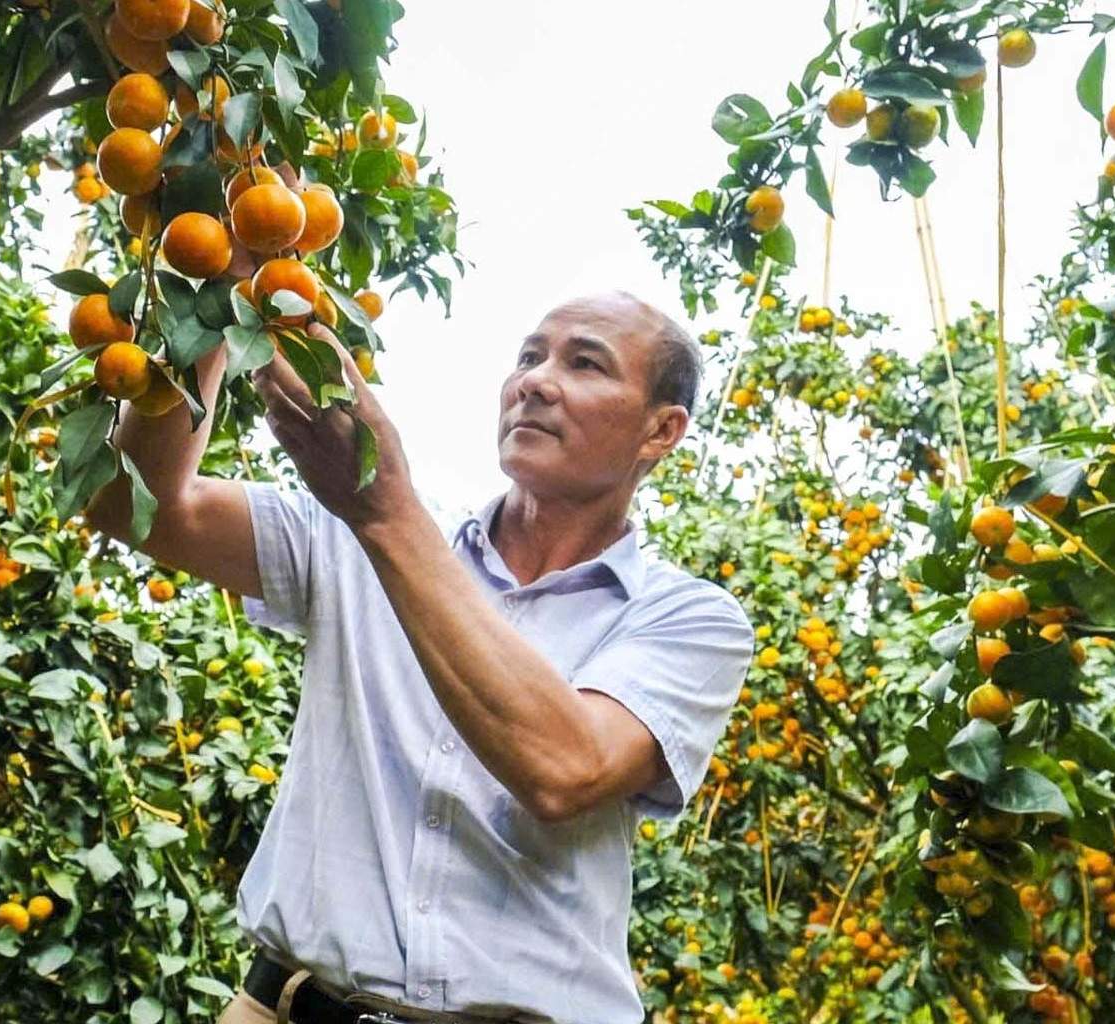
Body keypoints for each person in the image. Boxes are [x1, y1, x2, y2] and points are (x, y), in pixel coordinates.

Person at [86, 291, 754, 1024]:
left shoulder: (686, 619)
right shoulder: (346, 537)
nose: (535, 381)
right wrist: (207, 296)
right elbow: (133, 504)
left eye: (585, 364)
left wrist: (383, 510)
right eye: (529, 357)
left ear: (662, 430)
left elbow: (565, 768)